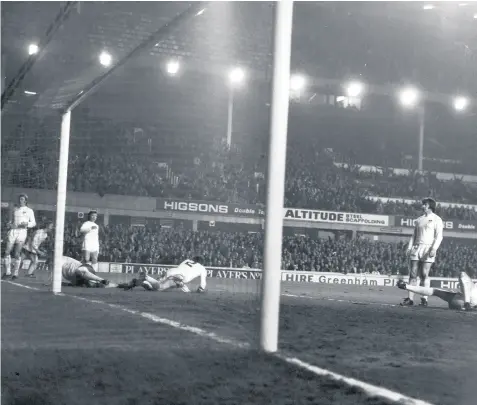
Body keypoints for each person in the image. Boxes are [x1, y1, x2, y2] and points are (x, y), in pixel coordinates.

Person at [401, 198, 443, 307]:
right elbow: (414, 235)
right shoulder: (419, 219)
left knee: (424, 274)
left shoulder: (437, 219)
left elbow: (439, 236)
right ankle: (410, 299)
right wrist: (409, 247)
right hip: (417, 247)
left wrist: (434, 248)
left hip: (428, 248)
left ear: (429, 206)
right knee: (413, 274)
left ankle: (424, 299)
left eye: (424, 204)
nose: (422, 206)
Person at [119, 256, 207, 293]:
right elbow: (203, 284)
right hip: (178, 277)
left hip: (172, 271)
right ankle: (146, 277)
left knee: (156, 287)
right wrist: (200, 291)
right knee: (159, 288)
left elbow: (182, 268)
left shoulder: (187, 260)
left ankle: (143, 282)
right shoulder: (202, 268)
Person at [397, 271, 476, 311]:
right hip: (462, 300)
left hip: (458, 301)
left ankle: (406, 286)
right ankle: (467, 303)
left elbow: (463, 277)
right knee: (436, 291)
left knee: (435, 291)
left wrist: (467, 301)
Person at [2, 194, 36, 280]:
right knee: (6, 252)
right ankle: (7, 272)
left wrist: (27, 224)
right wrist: (9, 224)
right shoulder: (15, 210)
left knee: (17, 253)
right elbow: (11, 221)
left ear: (25, 200)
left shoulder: (29, 210)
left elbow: (33, 223)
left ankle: (15, 274)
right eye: (19, 199)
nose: (20, 200)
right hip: (13, 231)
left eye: (22, 199)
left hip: (22, 232)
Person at [46, 253, 113, 288]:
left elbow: (54, 275)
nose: (50, 265)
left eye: (50, 262)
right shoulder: (63, 268)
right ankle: (113, 285)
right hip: (78, 277)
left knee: (80, 270)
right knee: (88, 284)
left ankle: (101, 280)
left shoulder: (60, 260)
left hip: (85, 268)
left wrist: (50, 281)